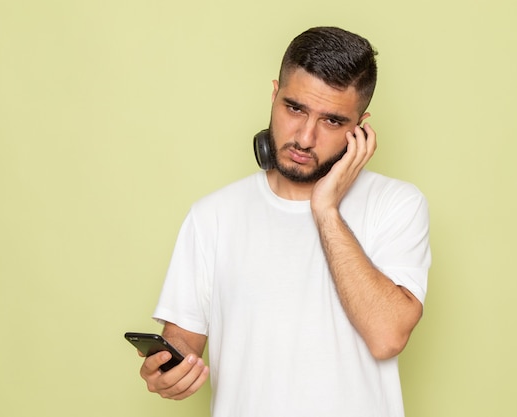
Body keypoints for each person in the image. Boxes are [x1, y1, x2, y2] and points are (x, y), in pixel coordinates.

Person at [138, 26, 431, 417]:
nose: (305, 138)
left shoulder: (397, 205)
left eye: (331, 121)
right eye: (294, 108)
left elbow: (387, 336)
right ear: (274, 94)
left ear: (360, 127)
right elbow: (182, 339)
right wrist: (170, 371)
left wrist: (325, 209)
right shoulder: (213, 215)